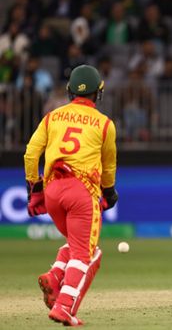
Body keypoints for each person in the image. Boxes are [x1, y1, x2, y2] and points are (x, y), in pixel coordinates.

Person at [24, 64, 118, 326]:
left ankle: (55, 277)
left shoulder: (52, 117)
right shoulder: (104, 124)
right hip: (82, 191)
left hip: (53, 189)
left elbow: (31, 154)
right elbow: (109, 166)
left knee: (77, 246)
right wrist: (109, 192)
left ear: (69, 91)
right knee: (86, 255)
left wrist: (35, 187)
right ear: (98, 93)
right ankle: (64, 307)